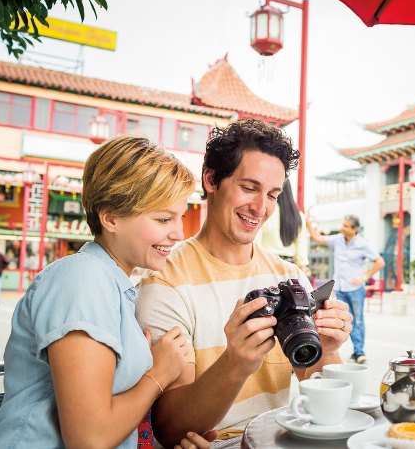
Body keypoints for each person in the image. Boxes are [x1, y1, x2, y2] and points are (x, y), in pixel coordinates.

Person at [0, 136, 217, 449]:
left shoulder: (112, 285)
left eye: (180, 217)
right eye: (162, 219)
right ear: (110, 217)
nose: (178, 233)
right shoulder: (81, 278)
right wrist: (158, 373)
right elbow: (89, 438)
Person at [135, 118, 353, 448]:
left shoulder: (289, 277)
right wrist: (235, 364)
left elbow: (323, 397)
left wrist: (327, 350)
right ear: (210, 179)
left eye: (272, 194)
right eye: (249, 188)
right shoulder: (165, 282)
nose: (261, 207)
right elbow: (169, 428)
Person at [306, 215, 385, 364]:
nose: (342, 228)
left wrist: (364, 277)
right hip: (340, 288)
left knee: (358, 320)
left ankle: (359, 352)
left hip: (355, 289)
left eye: (346, 226)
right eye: (343, 225)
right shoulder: (337, 240)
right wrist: (307, 223)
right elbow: (317, 238)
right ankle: (353, 351)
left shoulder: (362, 244)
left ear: (355, 229)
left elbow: (380, 262)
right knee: (345, 321)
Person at [255, 180, 309, 270]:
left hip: (267, 264)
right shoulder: (298, 216)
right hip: (289, 266)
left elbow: (256, 243)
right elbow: (301, 250)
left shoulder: (266, 212)